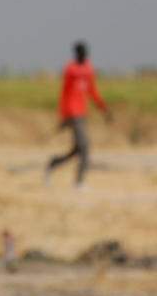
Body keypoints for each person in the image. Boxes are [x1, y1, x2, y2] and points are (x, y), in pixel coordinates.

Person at [45, 40, 111, 187]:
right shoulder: (70, 69)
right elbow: (64, 92)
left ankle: (52, 164)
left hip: (82, 112)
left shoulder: (88, 69)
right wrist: (63, 115)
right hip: (72, 113)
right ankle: (79, 181)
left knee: (77, 150)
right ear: (76, 53)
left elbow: (92, 90)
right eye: (81, 52)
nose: (84, 54)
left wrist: (103, 108)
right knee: (85, 147)